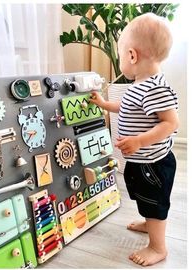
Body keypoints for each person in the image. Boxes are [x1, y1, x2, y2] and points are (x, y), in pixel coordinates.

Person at [90, 13, 179, 266]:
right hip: (141, 161)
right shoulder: (140, 85)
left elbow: (171, 123)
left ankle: (158, 246)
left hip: (153, 163)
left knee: (156, 203)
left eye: (120, 56)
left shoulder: (155, 88)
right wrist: (105, 104)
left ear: (132, 55)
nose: (120, 61)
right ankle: (148, 223)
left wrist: (139, 141)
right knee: (144, 198)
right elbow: (127, 107)